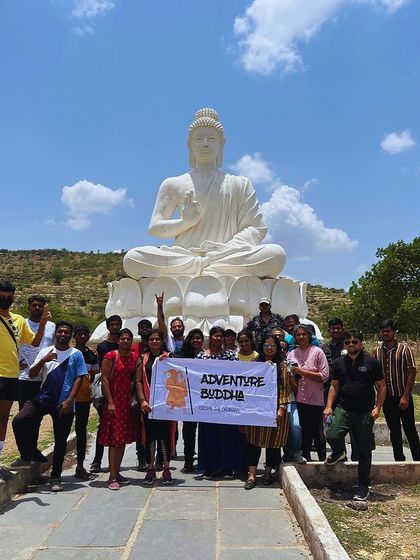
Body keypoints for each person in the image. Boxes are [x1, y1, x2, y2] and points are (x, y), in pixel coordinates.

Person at [123, 108, 285, 279]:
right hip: (185, 256)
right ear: (190, 145)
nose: (205, 144)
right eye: (199, 139)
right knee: (133, 258)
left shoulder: (240, 184)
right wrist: (185, 223)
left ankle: (204, 269)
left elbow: (256, 228)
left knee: (276, 254)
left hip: (226, 255)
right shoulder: (173, 184)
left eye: (211, 139)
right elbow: (155, 228)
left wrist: (223, 250)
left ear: (221, 144)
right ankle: (208, 269)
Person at [12, 321, 87, 492]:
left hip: (64, 403)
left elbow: (79, 378)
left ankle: (56, 477)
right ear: (56, 334)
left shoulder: (76, 354)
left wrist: (69, 401)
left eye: (66, 332)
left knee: (60, 442)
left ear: (70, 335)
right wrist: (43, 361)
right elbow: (31, 374)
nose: (62, 334)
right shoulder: (46, 351)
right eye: (60, 331)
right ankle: (27, 453)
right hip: (43, 398)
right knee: (20, 420)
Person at [324, 329, 386, 501]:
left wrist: (377, 408)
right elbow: (334, 386)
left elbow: (382, 386)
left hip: (365, 412)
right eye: (348, 342)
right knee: (333, 435)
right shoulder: (338, 363)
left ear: (361, 343)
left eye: (354, 342)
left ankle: (363, 485)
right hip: (344, 409)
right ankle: (338, 452)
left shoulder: (372, 363)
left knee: (364, 450)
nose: (351, 345)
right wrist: (329, 406)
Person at [0, 281, 51, 458]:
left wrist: (43, 323)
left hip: (12, 376)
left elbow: (34, 342)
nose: (5, 299)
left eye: (9, 297)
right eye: (2, 296)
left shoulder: (18, 320)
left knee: (3, 419)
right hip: (9, 376)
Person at [196, 326, 243, 479]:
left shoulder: (230, 355)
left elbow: (237, 376)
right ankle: (209, 466)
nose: (219, 339)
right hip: (207, 404)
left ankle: (226, 467)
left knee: (227, 435)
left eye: (221, 336)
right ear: (210, 337)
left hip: (226, 403)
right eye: (216, 336)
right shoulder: (201, 356)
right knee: (208, 435)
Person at [244, 334, 289, 489]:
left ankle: (268, 473)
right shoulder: (255, 363)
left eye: (272, 346)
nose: (269, 348)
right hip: (256, 409)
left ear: (277, 348)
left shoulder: (282, 366)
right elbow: (247, 385)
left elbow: (285, 389)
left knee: (273, 444)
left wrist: (281, 408)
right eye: (266, 345)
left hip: (275, 408)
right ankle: (251, 475)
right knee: (253, 443)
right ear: (261, 347)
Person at [99, 328, 140, 490]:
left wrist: (135, 399)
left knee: (121, 439)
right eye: (122, 339)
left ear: (131, 341)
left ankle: (117, 471)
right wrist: (110, 401)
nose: (125, 341)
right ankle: (111, 476)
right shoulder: (111, 356)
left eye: (127, 339)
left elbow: (136, 381)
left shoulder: (135, 358)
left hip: (126, 403)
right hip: (114, 401)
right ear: (118, 341)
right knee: (114, 439)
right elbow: (104, 379)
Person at [373, 319, 419, 461]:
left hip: (402, 395)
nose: (385, 334)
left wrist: (406, 396)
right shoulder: (377, 351)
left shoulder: (405, 350)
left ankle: (417, 460)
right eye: (383, 331)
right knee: (394, 431)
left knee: (410, 430)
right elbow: (374, 374)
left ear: (394, 332)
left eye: (388, 331)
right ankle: (399, 460)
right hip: (387, 398)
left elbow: (412, 372)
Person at [18, 294, 55, 463]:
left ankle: (33, 449)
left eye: (40, 306)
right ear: (29, 307)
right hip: (24, 378)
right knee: (24, 417)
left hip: (44, 378)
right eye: (34, 305)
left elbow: (57, 347)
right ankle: (24, 452)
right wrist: (17, 361)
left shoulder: (52, 326)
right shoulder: (21, 324)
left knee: (37, 417)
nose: (37, 308)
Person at [136, 329, 177, 485]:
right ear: (148, 342)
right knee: (150, 436)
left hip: (165, 404)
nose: (154, 342)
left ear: (162, 341)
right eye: (151, 339)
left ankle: (166, 468)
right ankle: (151, 468)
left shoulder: (169, 358)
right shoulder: (143, 359)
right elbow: (139, 381)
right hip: (149, 404)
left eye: (157, 339)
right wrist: (142, 400)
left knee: (166, 436)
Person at [287, 324, 329, 461]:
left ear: (309, 335)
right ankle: (306, 459)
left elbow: (324, 376)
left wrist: (302, 372)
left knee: (317, 431)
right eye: (298, 335)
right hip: (299, 398)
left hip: (316, 398)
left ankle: (323, 461)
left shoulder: (318, 352)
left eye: (304, 334)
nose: (301, 337)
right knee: (304, 431)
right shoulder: (292, 354)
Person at [90, 314, 122, 473]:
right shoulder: (102, 346)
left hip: (121, 389)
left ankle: (118, 461)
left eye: (118, 324)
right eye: (112, 324)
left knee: (120, 426)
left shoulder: (124, 344)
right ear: (108, 326)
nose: (115, 327)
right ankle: (97, 460)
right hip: (106, 388)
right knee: (103, 426)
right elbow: (102, 371)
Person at [174, 328, 205, 472]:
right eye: (194, 338)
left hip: (205, 398)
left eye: (199, 338)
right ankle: (188, 460)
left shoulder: (207, 356)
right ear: (189, 340)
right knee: (189, 432)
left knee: (205, 432)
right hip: (188, 399)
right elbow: (171, 361)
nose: (196, 341)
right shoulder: (182, 356)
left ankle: (205, 460)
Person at [73, 325, 99, 480]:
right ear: (74, 336)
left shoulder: (91, 355)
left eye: (85, 334)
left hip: (83, 399)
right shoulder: (70, 353)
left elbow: (95, 378)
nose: (82, 337)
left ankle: (80, 466)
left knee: (81, 432)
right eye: (79, 334)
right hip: (67, 398)